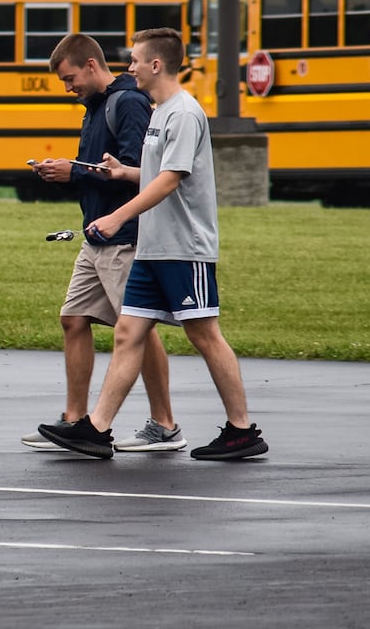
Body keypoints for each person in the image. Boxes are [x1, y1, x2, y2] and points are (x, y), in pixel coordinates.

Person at [38, 28, 267, 461]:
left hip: (184, 247)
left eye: (136, 61)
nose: (130, 68)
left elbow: (169, 180)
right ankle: (96, 430)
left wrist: (118, 215)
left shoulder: (183, 113)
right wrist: (117, 172)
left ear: (156, 64)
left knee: (205, 334)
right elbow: (149, 173)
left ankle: (242, 430)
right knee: (128, 332)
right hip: (152, 247)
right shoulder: (159, 113)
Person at [21, 34, 183, 453]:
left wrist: (73, 172)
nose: (67, 87)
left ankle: (165, 425)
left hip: (122, 236)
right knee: (73, 319)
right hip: (94, 235)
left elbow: (135, 169)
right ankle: (73, 421)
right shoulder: (94, 107)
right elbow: (97, 169)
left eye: (70, 78)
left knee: (139, 329)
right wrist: (66, 172)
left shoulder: (126, 103)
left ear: (91, 65)